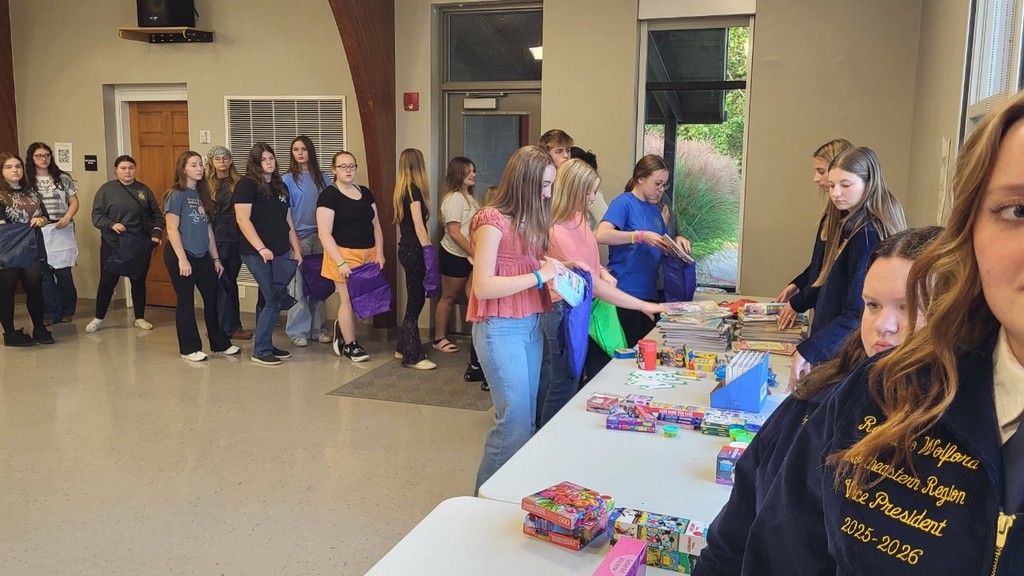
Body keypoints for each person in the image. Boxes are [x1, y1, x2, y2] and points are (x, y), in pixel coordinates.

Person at [737, 89, 1024, 576]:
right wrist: (799, 300)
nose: (885, 325)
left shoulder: (867, 229)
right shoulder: (868, 395)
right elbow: (772, 545)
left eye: (908, 307)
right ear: (968, 233)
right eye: (1017, 211)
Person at [695, 225, 942, 575]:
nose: (884, 325)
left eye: (908, 307)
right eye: (872, 305)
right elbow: (740, 516)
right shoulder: (819, 393)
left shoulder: (954, 438)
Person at [539, 159, 668, 427]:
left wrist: (602, 269)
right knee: (564, 382)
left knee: (576, 377)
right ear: (575, 190)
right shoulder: (557, 231)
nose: (594, 197)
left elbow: (588, 263)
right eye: (590, 191)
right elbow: (590, 283)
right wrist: (642, 305)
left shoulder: (579, 220)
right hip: (562, 311)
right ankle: (548, 435)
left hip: (582, 306)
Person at [469, 145, 566, 492]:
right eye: (542, 185)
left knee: (526, 424)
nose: (547, 193)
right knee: (512, 422)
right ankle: (483, 500)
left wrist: (563, 270)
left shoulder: (531, 221)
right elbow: (483, 287)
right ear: (522, 181)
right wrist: (541, 276)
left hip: (530, 326)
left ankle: (509, 493)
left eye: (550, 185)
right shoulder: (491, 220)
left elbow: (532, 267)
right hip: (499, 329)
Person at [788, 146, 907, 382]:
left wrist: (811, 349)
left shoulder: (867, 234)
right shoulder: (851, 224)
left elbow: (856, 311)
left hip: (848, 356)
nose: (836, 193)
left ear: (868, 183)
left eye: (845, 185)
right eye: (832, 185)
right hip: (836, 349)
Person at [594, 155, 691, 347]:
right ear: (640, 178)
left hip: (650, 294)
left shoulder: (655, 210)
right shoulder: (624, 203)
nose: (660, 190)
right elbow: (601, 235)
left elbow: (664, 244)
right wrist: (638, 236)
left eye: (664, 185)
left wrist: (678, 240)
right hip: (625, 293)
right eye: (657, 183)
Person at [162, 151, 240, 362]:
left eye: (200, 165)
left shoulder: (201, 194)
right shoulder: (176, 194)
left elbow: (208, 230)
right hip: (181, 254)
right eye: (194, 165)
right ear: (183, 169)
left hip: (202, 253)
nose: (199, 168)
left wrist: (215, 259)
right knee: (186, 301)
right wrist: (182, 259)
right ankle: (189, 348)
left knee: (213, 298)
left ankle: (219, 343)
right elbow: (171, 228)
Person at [234, 143, 303, 366]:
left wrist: (297, 248)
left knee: (266, 298)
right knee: (273, 297)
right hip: (256, 251)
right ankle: (261, 350)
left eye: (271, 158)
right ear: (255, 163)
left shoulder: (279, 184)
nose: (269, 163)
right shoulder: (246, 185)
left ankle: (266, 343)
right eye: (264, 159)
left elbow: (288, 219)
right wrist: (261, 248)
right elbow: (242, 219)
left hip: (281, 249)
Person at [775, 138, 854, 330]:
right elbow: (820, 264)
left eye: (821, 171)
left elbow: (832, 279)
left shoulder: (856, 227)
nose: (816, 179)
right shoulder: (832, 213)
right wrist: (798, 284)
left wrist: (798, 303)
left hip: (836, 325)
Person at [316, 151, 383, 363]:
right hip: (342, 254)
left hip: (368, 255)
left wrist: (379, 253)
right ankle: (351, 344)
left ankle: (343, 330)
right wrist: (341, 262)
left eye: (351, 166)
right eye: (343, 166)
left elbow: (377, 226)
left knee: (361, 302)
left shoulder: (365, 192)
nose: (348, 170)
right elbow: (324, 233)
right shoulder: (329, 196)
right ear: (334, 169)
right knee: (348, 300)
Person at [87, 155, 164, 333]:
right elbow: (96, 216)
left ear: (135, 170)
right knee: (107, 281)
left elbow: (157, 215)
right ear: (116, 170)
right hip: (113, 243)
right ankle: (98, 318)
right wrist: (111, 225)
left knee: (138, 280)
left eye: (130, 168)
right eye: (123, 168)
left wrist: (155, 234)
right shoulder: (106, 190)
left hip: (138, 244)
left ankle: (140, 317)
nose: (127, 171)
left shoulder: (143, 190)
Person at [433, 157, 484, 380]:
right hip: (455, 255)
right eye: (468, 171)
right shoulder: (454, 199)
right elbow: (454, 232)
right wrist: (474, 252)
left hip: (469, 256)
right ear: (458, 174)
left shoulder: (470, 198)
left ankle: (477, 344)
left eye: (474, 170)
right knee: (449, 296)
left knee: (472, 295)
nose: (473, 174)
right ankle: (439, 338)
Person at [282, 136, 332, 348]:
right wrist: (294, 243)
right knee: (299, 288)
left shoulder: (323, 178)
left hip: (321, 238)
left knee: (319, 286)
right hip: (298, 238)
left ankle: (318, 329)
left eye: (304, 149)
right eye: (296, 149)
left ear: (310, 151)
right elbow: (286, 214)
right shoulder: (286, 180)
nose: (300, 153)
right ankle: (297, 331)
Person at [0, 152, 52, 346]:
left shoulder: (32, 191)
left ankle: (39, 327)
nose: (15, 170)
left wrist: (41, 220)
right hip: (8, 249)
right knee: (6, 289)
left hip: (33, 246)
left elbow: (45, 215)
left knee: (35, 287)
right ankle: (10, 333)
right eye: (9, 167)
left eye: (18, 166)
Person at [392, 148, 437, 370]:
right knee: (416, 300)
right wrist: (428, 250)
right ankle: (412, 355)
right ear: (419, 165)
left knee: (414, 297)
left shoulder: (402, 190)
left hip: (405, 249)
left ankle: (403, 346)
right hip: (415, 250)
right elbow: (419, 226)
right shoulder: (414, 191)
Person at [26, 142, 79, 326]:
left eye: (47, 155)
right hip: (39, 229)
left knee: (64, 273)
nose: (43, 159)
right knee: (44, 274)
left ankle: (67, 309)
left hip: (62, 227)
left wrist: (68, 216)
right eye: (39, 156)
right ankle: (50, 312)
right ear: (32, 158)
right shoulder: (27, 180)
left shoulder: (62, 178)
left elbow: (73, 201)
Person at [204, 145, 252, 340]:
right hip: (215, 234)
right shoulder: (206, 185)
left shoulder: (240, 183)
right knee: (220, 282)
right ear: (211, 162)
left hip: (236, 233)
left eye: (226, 157)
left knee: (230, 281)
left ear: (231, 160)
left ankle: (230, 325)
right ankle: (222, 327)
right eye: (218, 158)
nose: (222, 161)